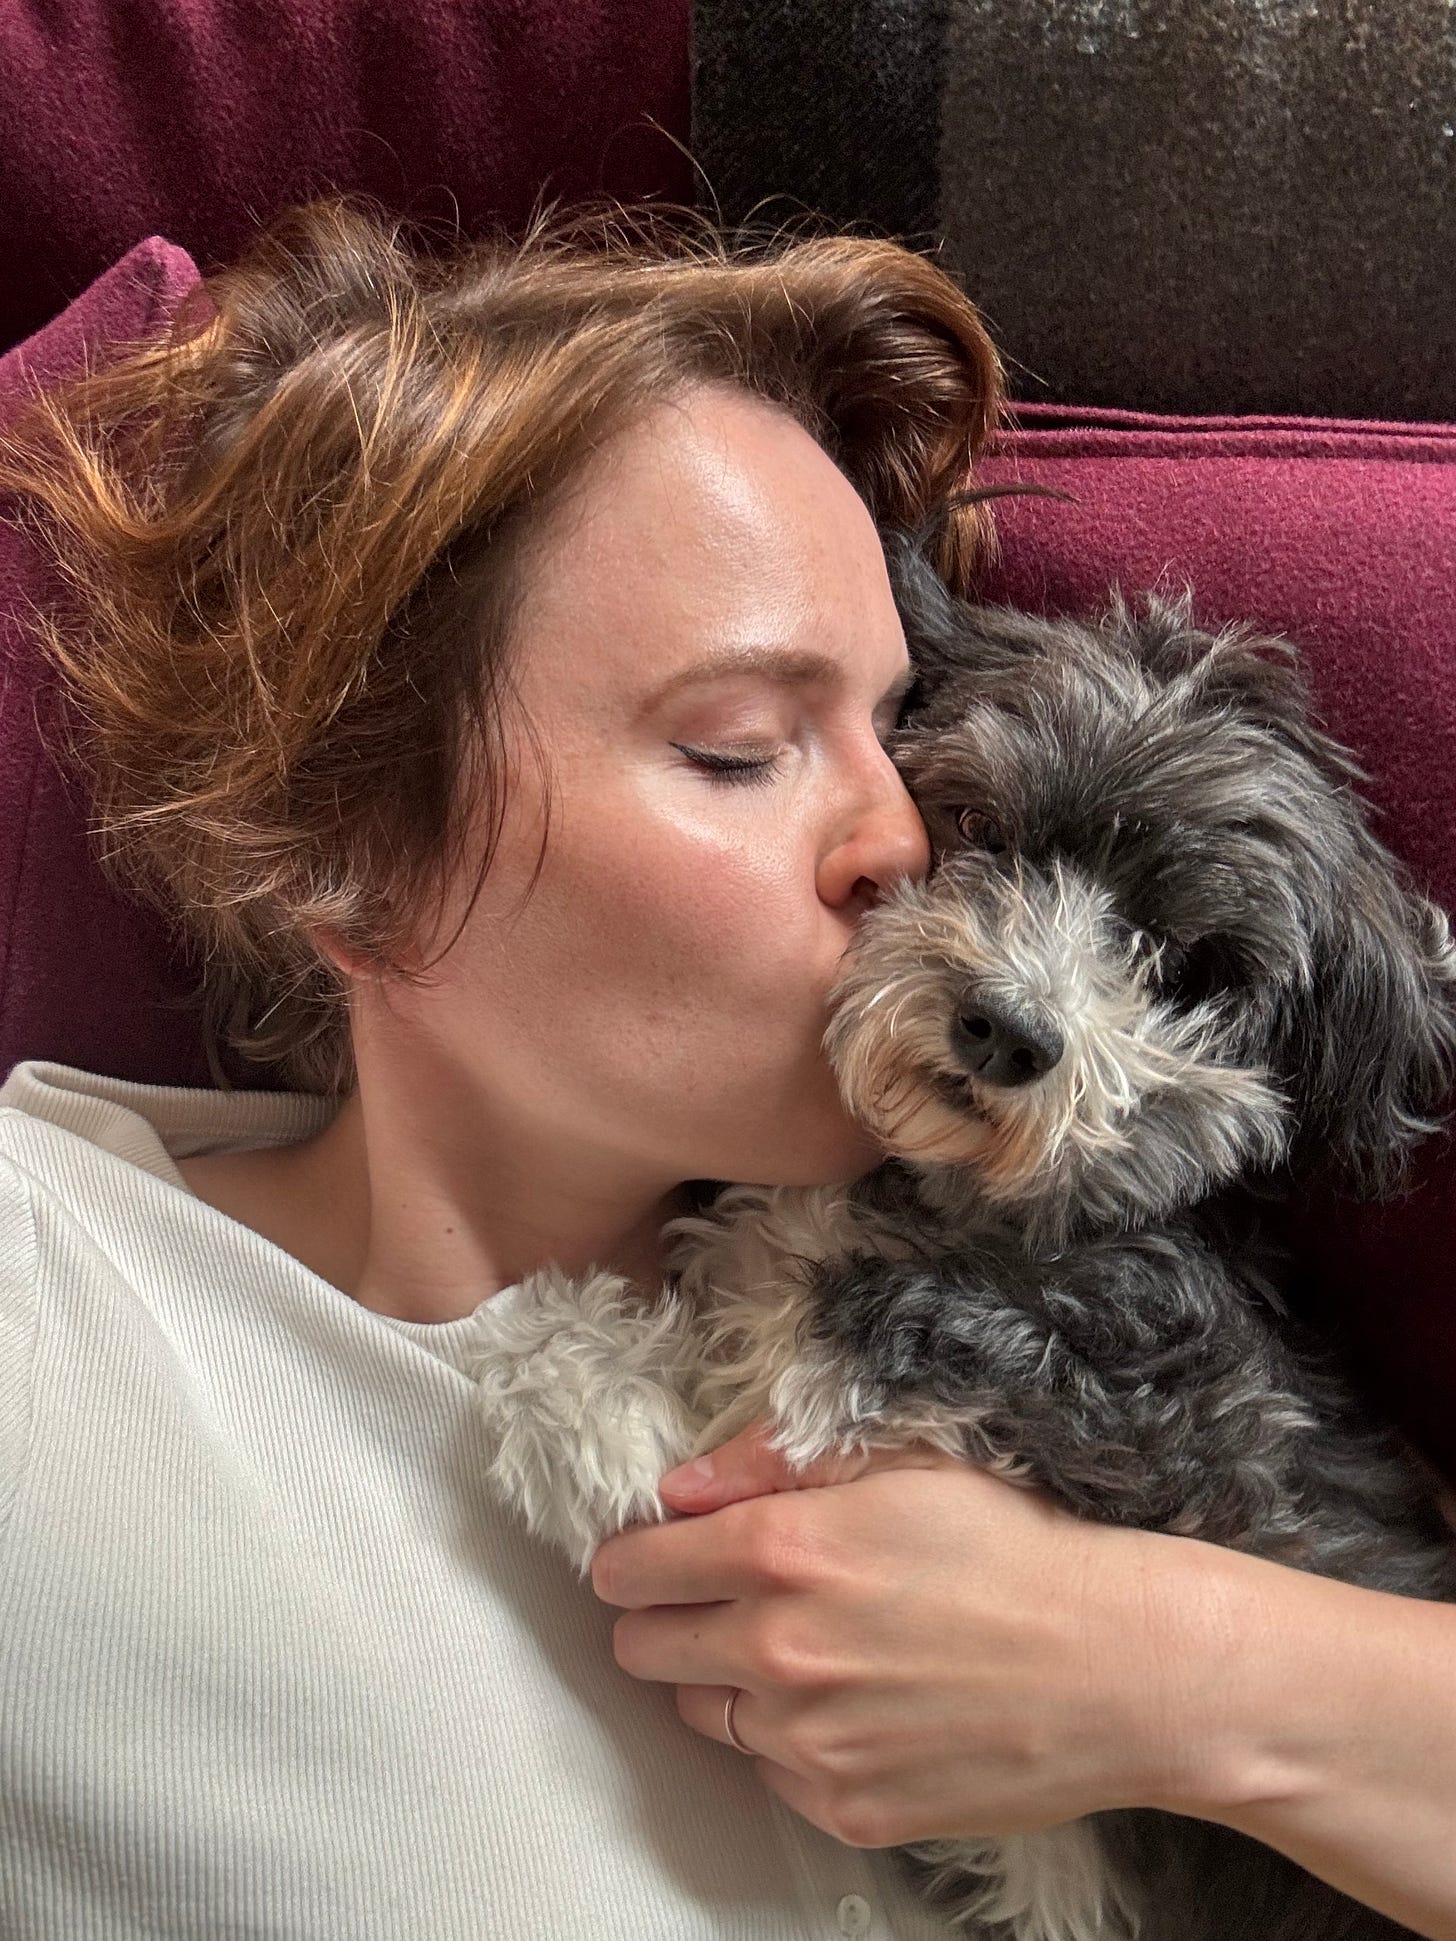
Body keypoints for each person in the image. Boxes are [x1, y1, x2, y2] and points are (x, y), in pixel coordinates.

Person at [0, 197, 1452, 1941]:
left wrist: (1177, 1665)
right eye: (742, 746)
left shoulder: (1096, 1424)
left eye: (901, 732)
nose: (909, 839)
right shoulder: (49, 1304)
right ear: (358, 859)